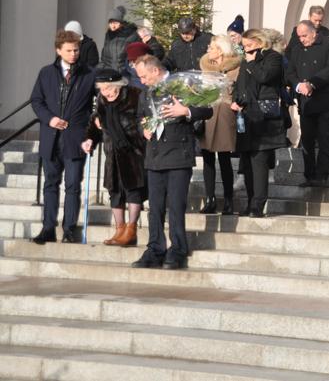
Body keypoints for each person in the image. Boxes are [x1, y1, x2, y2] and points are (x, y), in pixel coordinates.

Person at [132, 55, 213, 269]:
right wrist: (144, 129)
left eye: (143, 76)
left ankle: (177, 249)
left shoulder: (183, 84)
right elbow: (140, 117)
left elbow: (207, 109)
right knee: (155, 207)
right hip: (155, 155)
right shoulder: (146, 92)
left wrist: (185, 111)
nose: (141, 81)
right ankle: (155, 248)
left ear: (155, 71)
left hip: (178, 154)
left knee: (176, 206)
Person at [30, 29, 96, 244]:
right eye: (69, 50)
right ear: (58, 51)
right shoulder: (46, 73)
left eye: (76, 50)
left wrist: (91, 133)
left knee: (73, 185)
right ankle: (48, 227)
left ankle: (69, 229)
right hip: (50, 138)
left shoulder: (88, 74)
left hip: (76, 138)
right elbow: (37, 100)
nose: (74, 54)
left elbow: (97, 105)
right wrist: (50, 119)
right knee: (50, 184)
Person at [81, 69, 146, 246]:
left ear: (119, 85)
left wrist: (114, 127)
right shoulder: (102, 100)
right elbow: (95, 123)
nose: (106, 92)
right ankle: (119, 230)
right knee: (115, 191)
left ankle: (131, 230)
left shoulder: (134, 95)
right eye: (102, 89)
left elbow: (141, 122)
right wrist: (89, 139)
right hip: (112, 153)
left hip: (133, 151)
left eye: (109, 88)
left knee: (133, 190)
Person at [232, 29, 288, 217]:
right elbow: (240, 84)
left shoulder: (273, 57)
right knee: (246, 163)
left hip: (264, 119)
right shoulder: (246, 62)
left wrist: (252, 63)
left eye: (249, 45)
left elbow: (265, 77)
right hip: (246, 116)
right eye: (244, 46)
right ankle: (249, 203)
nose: (246, 49)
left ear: (259, 42)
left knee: (259, 163)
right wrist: (236, 100)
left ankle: (258, 205)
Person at [285, 20, 329, 187]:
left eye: (304, 35)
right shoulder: (296, 49)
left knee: (324, 137)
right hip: (306, 101)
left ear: (314, 32)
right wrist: (298, 85)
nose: (302, 39)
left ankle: (322, 175)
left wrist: (312, 84)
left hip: (326, 99)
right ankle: (309, 175)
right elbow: (290, 72)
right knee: (307, 139)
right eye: (299, 36)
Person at [198, 35, 242, 215]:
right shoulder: (205, 67)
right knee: (207, 158)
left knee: (224, 158)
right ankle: (210, 199)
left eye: (212, 47)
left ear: (222, 50)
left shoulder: (235, 68)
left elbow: (240, 90)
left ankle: (228, 199)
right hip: (207, 113)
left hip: (225, 114)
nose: (209, 50)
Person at [99, 6, 140, 73]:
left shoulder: (132, 34)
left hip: (126, 75)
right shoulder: (108, 35)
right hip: (110, 74)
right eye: (111, 22)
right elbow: (104, 58)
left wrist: (129, 71)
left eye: (115, 23)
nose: (113, 26)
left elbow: (136, 57)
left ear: (121, 23)